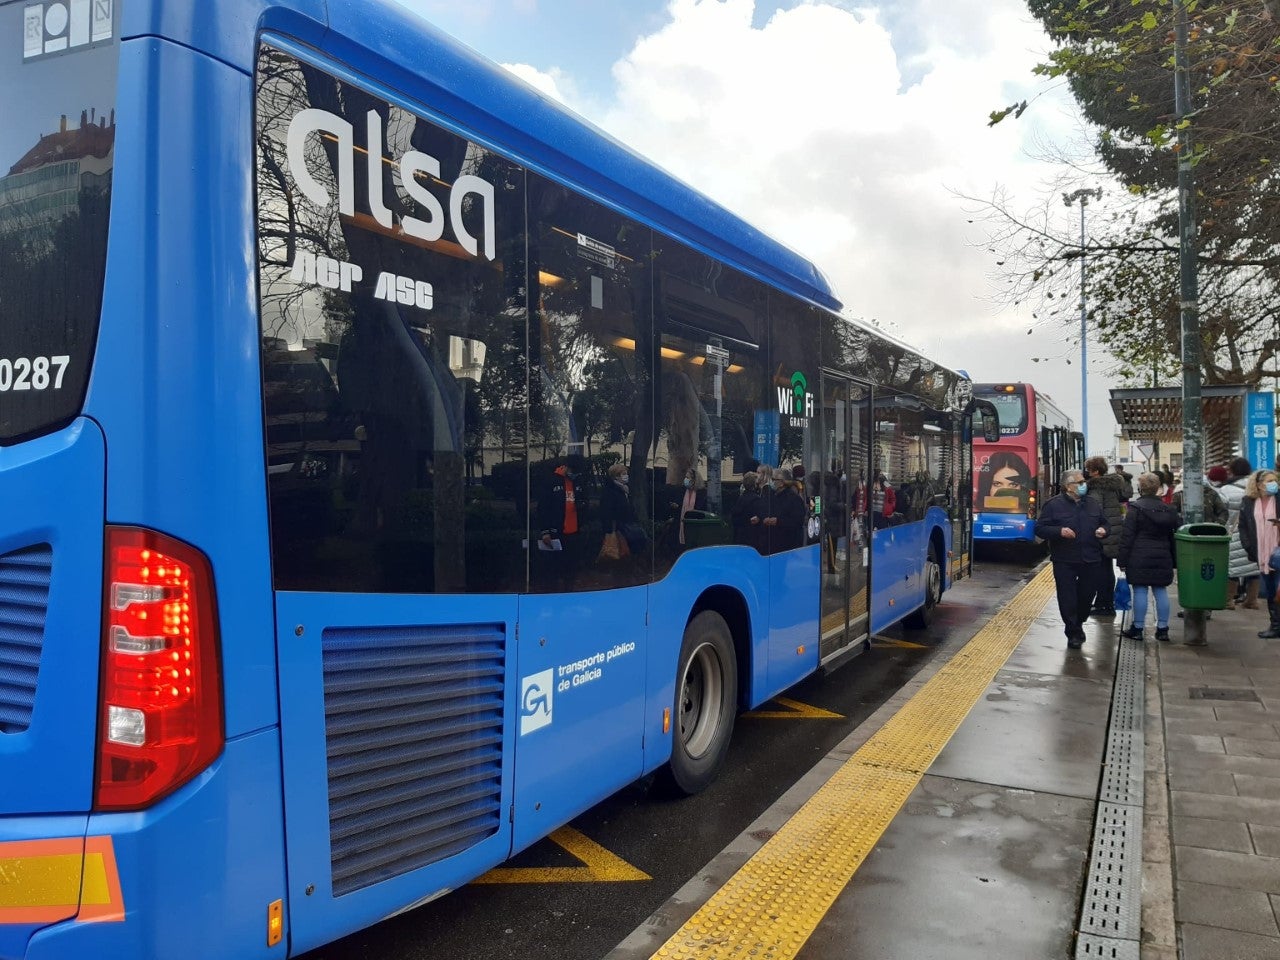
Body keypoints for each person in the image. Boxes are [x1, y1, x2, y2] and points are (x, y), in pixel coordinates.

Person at [1036, 469, 1110, 648]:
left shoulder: (1092, 503)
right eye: (1080, 482)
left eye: (1084, 482)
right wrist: (1059, 531)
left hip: (1091, 558)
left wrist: (1104, 530)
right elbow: (1040, 529)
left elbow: (1105, 523)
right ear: (1068, 487)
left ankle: (1079, 621)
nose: (1084, 485)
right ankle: (1073, 631)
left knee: (1086, 596)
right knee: (1067, 597)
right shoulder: (1053, 505)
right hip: (1065, 559)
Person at [1118, 472, 1183, 642]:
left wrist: (1122, 560)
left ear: (1140, 488)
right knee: (1160, 590)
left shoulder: (1136, 508)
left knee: (1140, 590)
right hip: (1162, 555)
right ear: (1157, 489)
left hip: (1139, 555)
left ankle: (1137, 628)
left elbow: (1127, 536)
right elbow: (1175, 533)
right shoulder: (1169, 510)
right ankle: (1162, 629)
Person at [1237, 469, 1280, 638]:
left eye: (1275, 480)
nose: (1273, 484)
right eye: (1270, 480)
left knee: (1278, 589)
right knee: (1270, 591)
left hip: (1278, 551)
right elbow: (1243, 527)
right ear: (1259, 484)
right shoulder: (1248, 502)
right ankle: (1275, 625)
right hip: (1261, 553)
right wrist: (1249, 547)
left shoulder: (1278, 499)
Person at [1083, 456, 1126, 617]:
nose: (1086, 472)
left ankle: (1102, 604)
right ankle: (1106, 603)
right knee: (1107, 569)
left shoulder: (1095, 489)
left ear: (1095, 471)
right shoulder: (1113, 486)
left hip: (1102, 533)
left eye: (1088, 469)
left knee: (1100, 570)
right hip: (1113, 531)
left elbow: (1095, 512)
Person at [1222, 457, 1260, 608]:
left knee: (1232, 566)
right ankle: (1252, 600)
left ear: (1232, 470)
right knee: (1253, 565)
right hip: (1254, 531)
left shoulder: (1226, 490)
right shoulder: (1256, 487)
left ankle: (1228, 600)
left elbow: (1222, 512)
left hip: (1233, 531)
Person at [764, 467, 807, 552]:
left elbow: (798, 521)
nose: (771, 482)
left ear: (781, 482)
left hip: (788, 545)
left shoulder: (794, 499)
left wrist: (778, 521)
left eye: (773, 479)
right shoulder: (772, 496)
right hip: (774, 544)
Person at [731, 471, 765, 552]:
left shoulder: (741, 498)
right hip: (752, 537)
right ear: (755, 484)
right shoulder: (756, 499)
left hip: (739, 536)